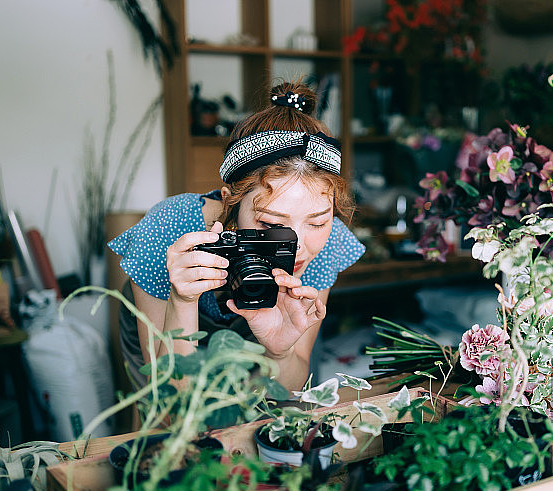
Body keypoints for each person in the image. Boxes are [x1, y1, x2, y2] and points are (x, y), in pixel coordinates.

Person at [108, 80, 365, 392]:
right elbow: (168, 398)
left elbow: (289, 386)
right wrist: (183, 301)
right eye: (271, 225)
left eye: (317, 222)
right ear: (231, 199)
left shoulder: (329, 241)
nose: (297, 248)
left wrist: (279, 352)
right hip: (166, 328)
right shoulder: (168, 228)